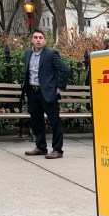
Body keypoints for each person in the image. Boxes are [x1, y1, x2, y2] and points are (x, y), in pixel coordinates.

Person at [23, 30, 70, 159]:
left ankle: (57, 150)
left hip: (47, 92)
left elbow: (65, 70)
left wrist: (59, 88)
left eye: (41, 37)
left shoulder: (51, 54)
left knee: (55, 121)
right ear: (32, 40)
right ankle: (41, 147)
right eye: (35, 37)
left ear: (44, 40)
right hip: (32, 92)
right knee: (36, 121)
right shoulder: (28, 53)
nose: (38, 40)